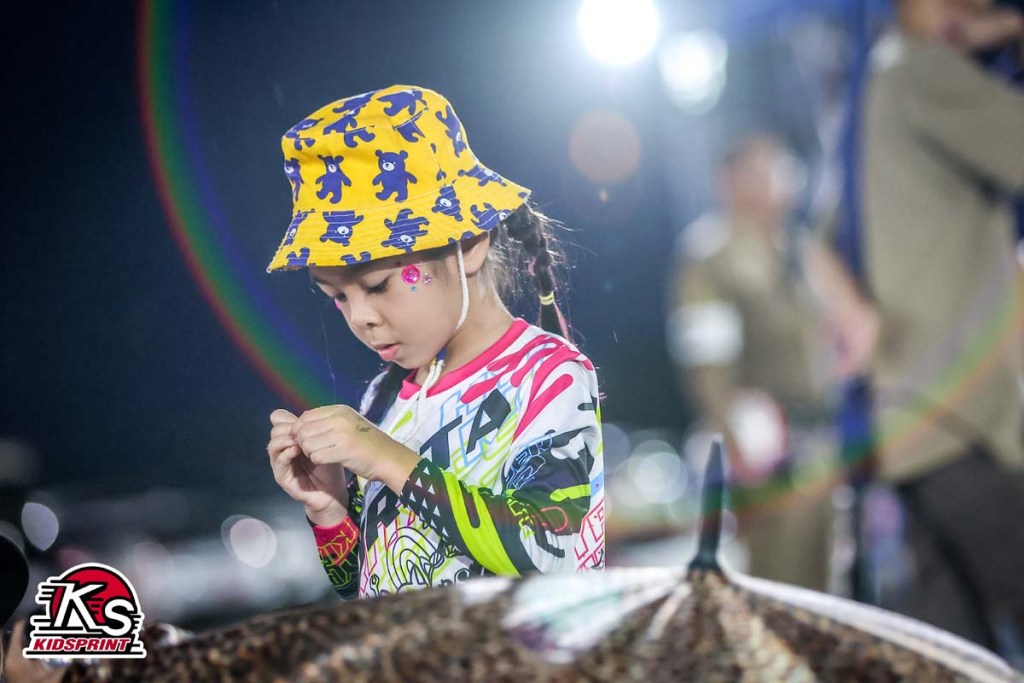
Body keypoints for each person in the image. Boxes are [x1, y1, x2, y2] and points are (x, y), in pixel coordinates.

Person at [265, 85, 606, 600]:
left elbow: (549, 554)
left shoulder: (549, 376)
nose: (360, 318)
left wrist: (386, 457)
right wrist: (329, 509)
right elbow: (366, 589)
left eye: (377, 286)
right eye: (337, 297)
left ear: (467, 245)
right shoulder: (384, 398)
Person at [824, 0, 1024, 654]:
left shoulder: (870, 88)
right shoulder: (921, 69)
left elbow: (814, 235)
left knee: (953, 656)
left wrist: (854, 313)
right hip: (964, 425)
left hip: (909, 429)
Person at [667, 135, 840, 591]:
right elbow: (707, 367)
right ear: (730, 181)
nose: (780, 180)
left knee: (828, 592)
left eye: (781, 167)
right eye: (763, 170)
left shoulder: (800, 247)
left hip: (823, 442)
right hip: (769, 451)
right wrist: (736, 447)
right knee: (780, 587)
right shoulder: (711, 256)